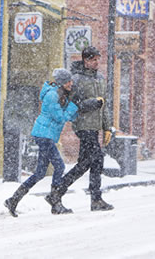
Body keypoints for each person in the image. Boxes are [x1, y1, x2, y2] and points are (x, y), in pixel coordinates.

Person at [4, 68, 101, 216]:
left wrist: (82, 106)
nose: (71, 83)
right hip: (44, 135)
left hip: (46, 135)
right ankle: (55, 201)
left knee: (40, 172)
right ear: (61, 83)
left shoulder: (60, 95)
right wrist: (74, 106)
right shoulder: (51, 96)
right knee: (60, 166)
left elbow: (70, 116)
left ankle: (14, 199)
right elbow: (61, 117)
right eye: (68, 81)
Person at [46, 46, 115, 212]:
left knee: (87, 163)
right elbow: (71, 105)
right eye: (93, 59)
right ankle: (95, 198)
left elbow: (104, 105)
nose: (96, 62)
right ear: (85, 60)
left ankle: (58, 192)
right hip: (83, 126)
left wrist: (107, 127)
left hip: (95, 126)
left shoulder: (100, 78)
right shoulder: (76, 80)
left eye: (98, 59)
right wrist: (90, 104)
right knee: (97, 157)